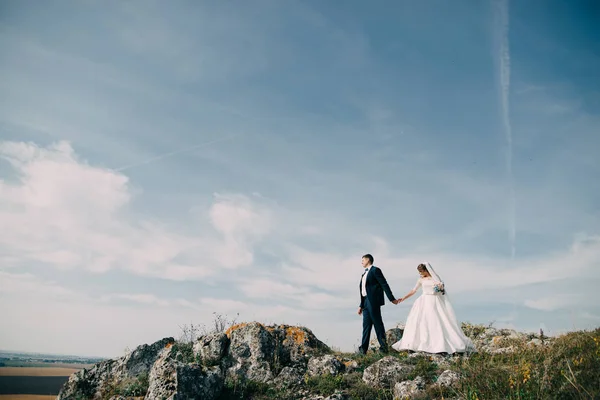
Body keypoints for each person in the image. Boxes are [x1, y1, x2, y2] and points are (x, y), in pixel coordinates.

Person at [391, 262, 475, 354]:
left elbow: (441, 289)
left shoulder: (435, 278)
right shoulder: (420, 280)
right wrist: (403, 298)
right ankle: (418, 344)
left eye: (421, 272)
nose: (420, 274)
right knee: (421, 321)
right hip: (423, 301)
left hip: (434, 300)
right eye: (419, 272)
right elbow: (413, 290)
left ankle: (438, 344)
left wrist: (440, 288)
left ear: (426, 270)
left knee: (436, 321)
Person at [357, 254, 399, 354]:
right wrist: (361, 305)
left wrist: (391, 298)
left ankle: (384, 348)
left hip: (373, 302)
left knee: (377, 324)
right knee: (366, 326)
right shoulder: (364, 274)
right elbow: (363, 291)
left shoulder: (375, 270)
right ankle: (363, 350)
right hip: (366, 303)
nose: (361, 262)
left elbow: (384, 284)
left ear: (368, 260)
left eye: (362, 260)